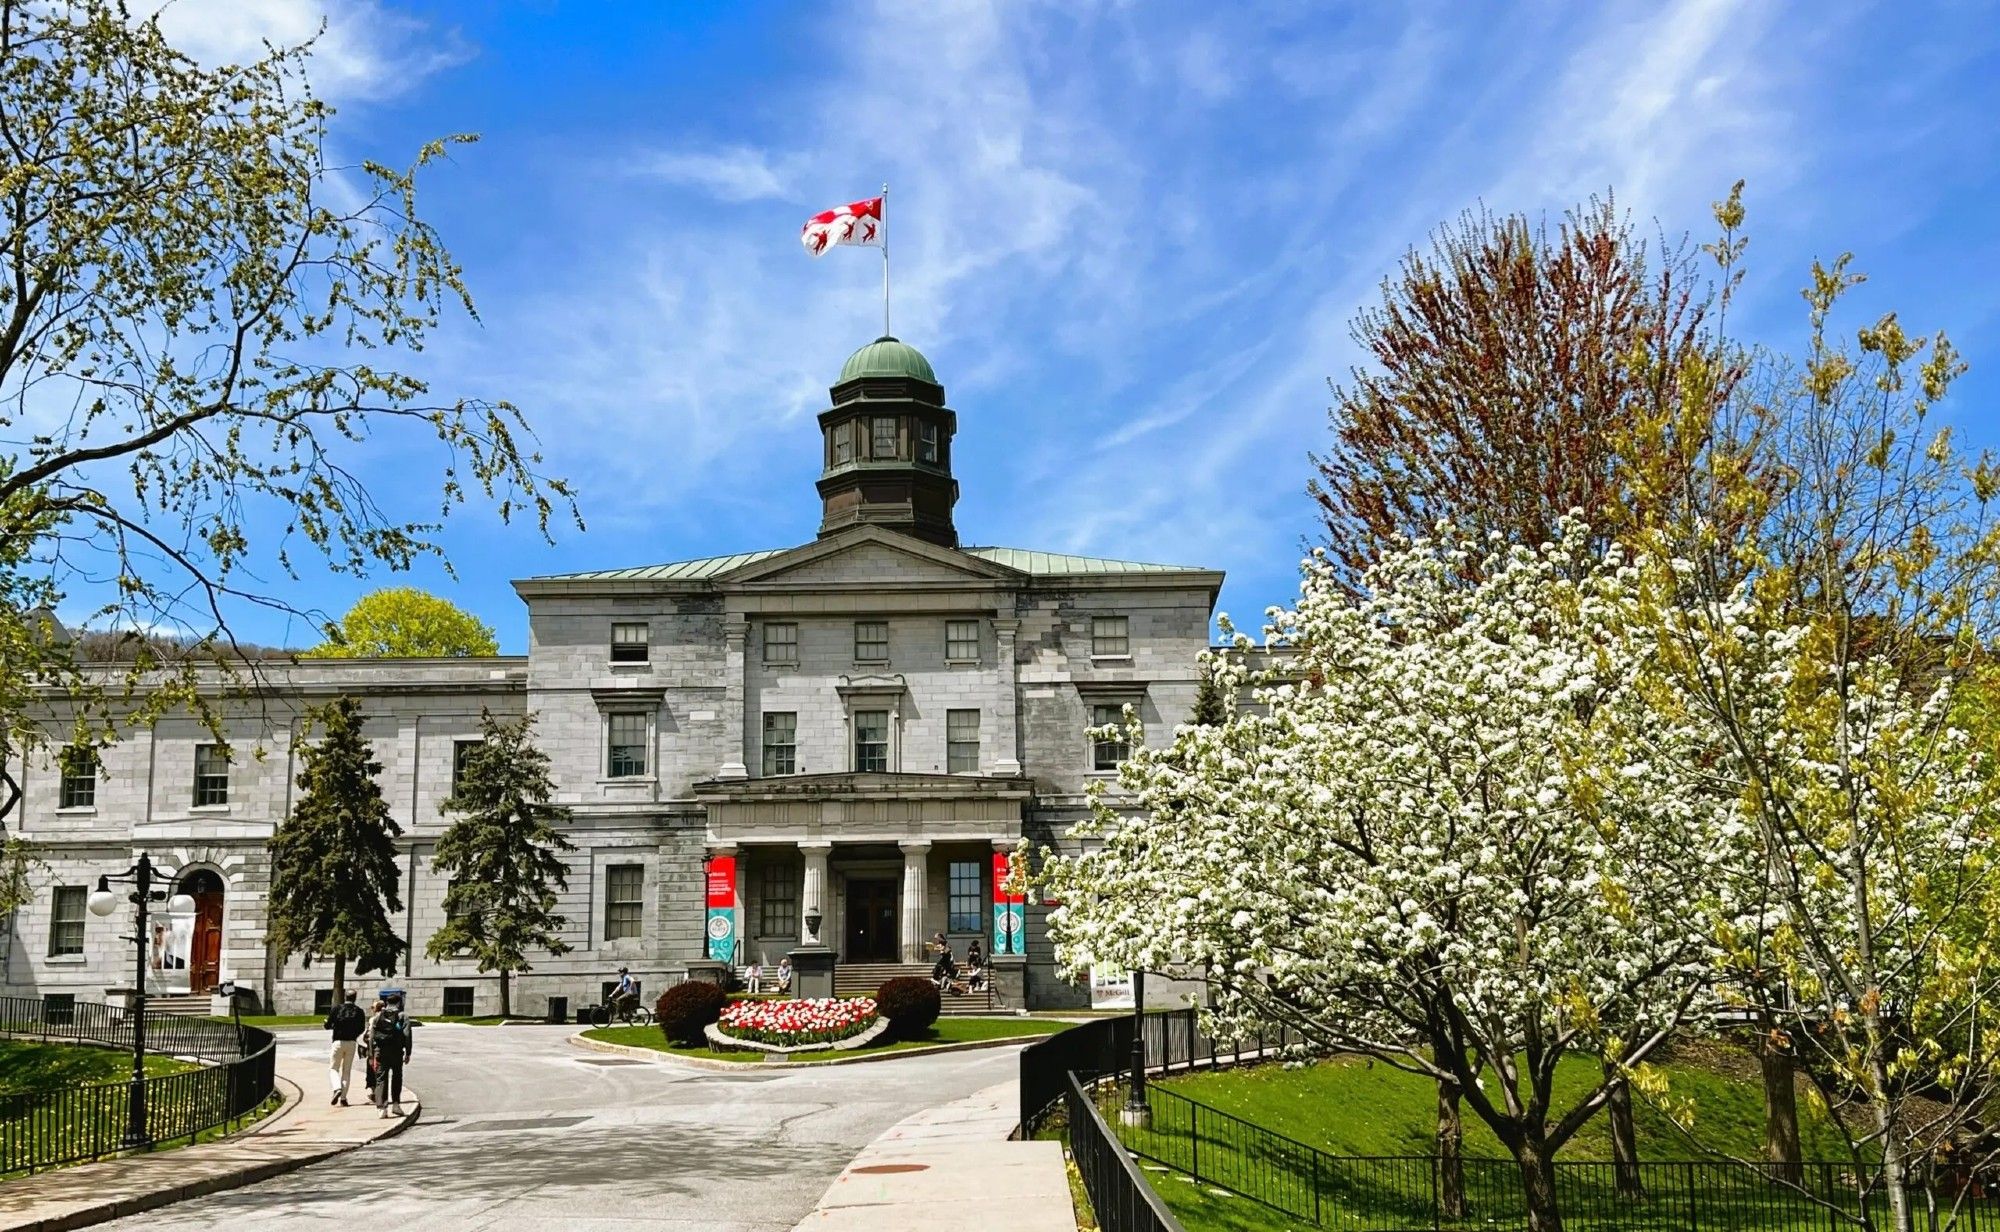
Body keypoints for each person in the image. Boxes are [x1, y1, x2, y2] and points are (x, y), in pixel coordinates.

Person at [369, 994, 414, 1118]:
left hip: (381, 1051)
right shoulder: (402, 1016)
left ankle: (382, 1108)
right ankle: (395, 1104)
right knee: (397, 1077)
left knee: (381, 1079)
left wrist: (371, 1053)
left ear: (386, 1002)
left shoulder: (378, 1016)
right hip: (396, 1051)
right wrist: (408, 1052)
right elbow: (407, 1035)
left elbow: (372, 1036)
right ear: (399, 1003)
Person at [323, 990, 366, 1106]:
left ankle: (336, 1088)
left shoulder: (337, 1009)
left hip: (338, 1041)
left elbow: (328, 1025)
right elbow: (362, 1028)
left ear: (345, 997)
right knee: (346, 1071)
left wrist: (327, 1023)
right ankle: (343, 1098)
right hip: (351, 1042)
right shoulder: (359, 1011)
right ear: (355, 998)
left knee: (333, 1068)